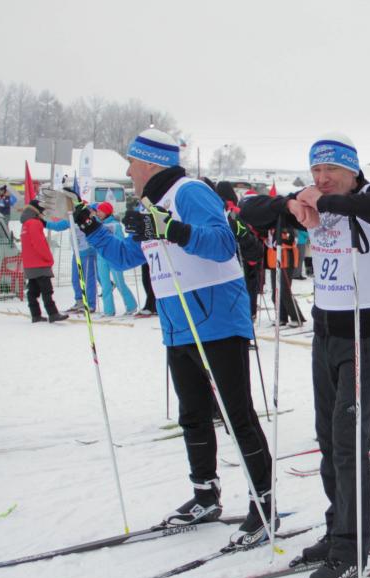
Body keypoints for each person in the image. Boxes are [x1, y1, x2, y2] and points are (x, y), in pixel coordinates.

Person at [68, 128, 273, 546]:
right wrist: (90, 226)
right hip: (177, 322)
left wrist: (170, 229)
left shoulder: (189, 192)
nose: (128, 171)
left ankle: (263, 504)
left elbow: (220, 245)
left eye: (132, 163)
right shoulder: (149, 203)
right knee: (193, 413)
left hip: (215, 317)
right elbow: (128, 255)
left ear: (150, 163)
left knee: (237, 415)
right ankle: (204, 494)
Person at [241, 133, 370, 578]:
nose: (323, 178)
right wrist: (292, 203)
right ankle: (336, 530)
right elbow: (250, 212)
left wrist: (324, 204)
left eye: (331, 170)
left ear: (353, 170)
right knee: (328, 438)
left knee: (350, 439)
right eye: (315, 171)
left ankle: (352, 548)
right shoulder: (314, 201)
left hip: (367, 333)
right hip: (328, 330)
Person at [216, 181, 266, 321]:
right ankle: (250, 311)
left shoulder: (220, 209)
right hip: (246, 251)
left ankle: (244, 311)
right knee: (249, 283)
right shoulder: (236, 210)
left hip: (234, 253)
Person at [19, 199, 67, 323]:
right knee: (47, 290)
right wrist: (48, 258)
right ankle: (53, 313)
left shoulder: (25, 223)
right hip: (39, 262)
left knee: (33, 291)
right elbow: (39, 243)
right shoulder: (35, 223)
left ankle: (35, 315)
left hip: (29, 263)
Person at [94, 201, 137, 316]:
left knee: (119, 282)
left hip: (113, 257)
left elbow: (120, 239)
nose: (98, 213)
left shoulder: (115, 224)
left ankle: (131, 306)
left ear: (107, 212)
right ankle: (109, 310)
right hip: (101, 257)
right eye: (97, 211)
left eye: (100, 211)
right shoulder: (97, 224)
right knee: (105, 284)